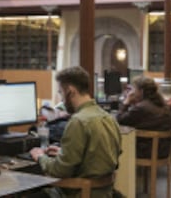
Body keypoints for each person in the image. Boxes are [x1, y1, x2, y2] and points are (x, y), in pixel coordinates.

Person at [29, 66, 121, 198]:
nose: (61, 100)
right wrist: (63, 153)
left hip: (80, 193)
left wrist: (40, 157)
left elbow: (60, 171)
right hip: (105, 193)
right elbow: (101, 159)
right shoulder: (108, 118)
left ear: (70, 91)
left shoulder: (78, 121)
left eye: (61, 92)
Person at [116, 76, 171, 159]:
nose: (132, 92)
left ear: (141, 91)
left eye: (134, 89)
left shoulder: (141, 108)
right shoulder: (162, 105)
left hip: (146, 151)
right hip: (163, 150)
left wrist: (126, 102)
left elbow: (119, 120)